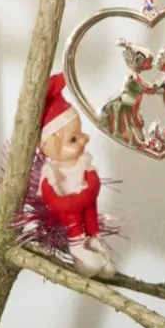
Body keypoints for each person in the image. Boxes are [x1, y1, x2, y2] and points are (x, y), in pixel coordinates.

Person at [39, 73, 116, 278]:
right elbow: (51, 197)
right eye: (73, 139)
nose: (85, 139)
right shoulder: (51, 172)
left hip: (87, 204)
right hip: (69, 212)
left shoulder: (83, 162)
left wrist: (87, 193)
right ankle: (81, 253)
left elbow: (93, 181)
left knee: (91, 219)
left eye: (80, 133)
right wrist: (72, 202)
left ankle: (95, 243)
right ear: (50, 148)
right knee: (74, 223)